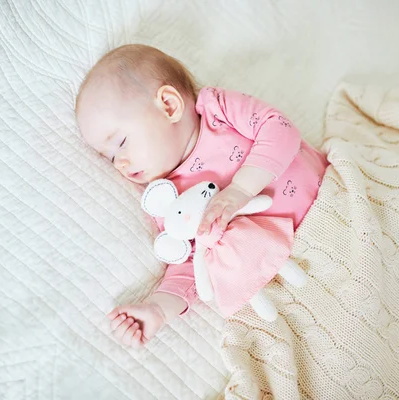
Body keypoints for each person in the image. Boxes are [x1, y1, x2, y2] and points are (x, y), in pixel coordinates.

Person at [76, 44, 328, 348]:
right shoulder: (167, 200)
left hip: (330, 196)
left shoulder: (216, 110)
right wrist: (157, 308)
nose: (121, 163)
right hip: (299, 258)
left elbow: (281, 129)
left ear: (168, 105)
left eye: (121, 144)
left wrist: (240, 190)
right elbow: (193, 262)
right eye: (109, 158)